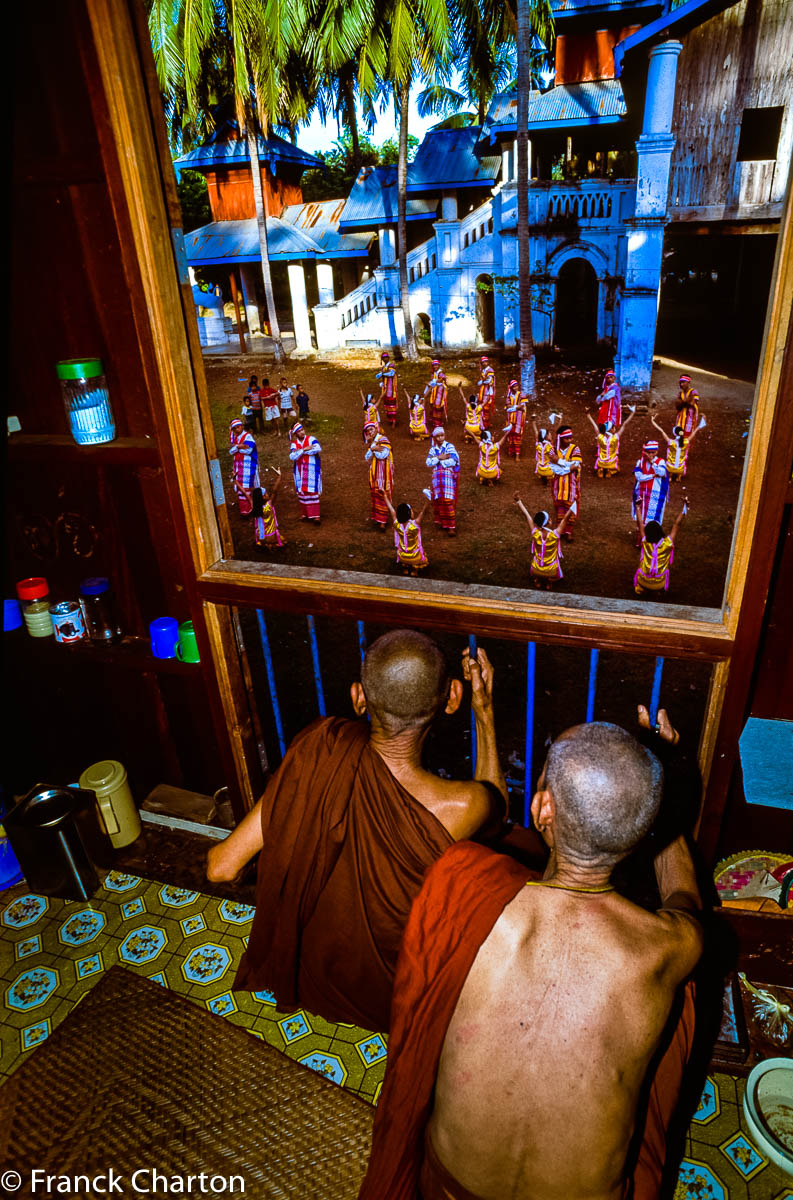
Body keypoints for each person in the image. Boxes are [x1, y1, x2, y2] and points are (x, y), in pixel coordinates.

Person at [359, 711, 703, 1200]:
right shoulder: (668, 947)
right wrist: (664, 775)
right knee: (681, 996)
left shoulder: (464, 883)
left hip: (450, 1189)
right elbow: (683, 896)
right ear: (643, 829)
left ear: (543, 809)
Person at [207, 633, 509, 1034]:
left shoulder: (321, 750)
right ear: (453, 698)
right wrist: (484, 712)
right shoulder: (462, 807)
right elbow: (497, 811)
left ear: (358, 697)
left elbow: (221, 868)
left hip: (308, 976)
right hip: (392, 1000)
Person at [513, 494, 572, 588]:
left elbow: (527, 515)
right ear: (549, 522)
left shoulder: (535, 533)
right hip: (551, 570)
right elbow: (565, 519)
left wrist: (519, 502)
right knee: (556, 571)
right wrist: (575, 503)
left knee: (537, 566)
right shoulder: (554, 535)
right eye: (549, 518)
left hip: (536, 569)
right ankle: (549, 582)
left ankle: (538, 581)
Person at [635, 508, 686, 595]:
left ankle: (641, 589)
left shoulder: (645, 542)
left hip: (643, 581)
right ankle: (657, 590)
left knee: (640, 581)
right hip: (659, 585)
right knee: (659, 585)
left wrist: (638, 507)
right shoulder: (668, 544)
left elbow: (640, 524)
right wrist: (685, 508)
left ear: (647, 533)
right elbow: (676, 524)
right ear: (660, 531)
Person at [381, 492, 430, 575]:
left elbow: (391, 509)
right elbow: (423, 511)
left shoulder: (396, 524)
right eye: (411, 510)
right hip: (415, 556)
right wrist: (428, 500)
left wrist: (384, 496)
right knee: (421, 557)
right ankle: (414, 570)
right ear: (409, 514)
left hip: (402, 556)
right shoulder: (415, 524)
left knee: (404, 555)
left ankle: (406, 568)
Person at [548, 426, 582, 539]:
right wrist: (567, 466)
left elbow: (576, 465)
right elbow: (552, 467)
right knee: (559, 505)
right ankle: (561, 529)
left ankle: (569, 531)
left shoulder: (575, 449)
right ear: (561, 439)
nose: (570, 440)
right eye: (567, 438)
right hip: (558, 483)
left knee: (570, 503)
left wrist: (559, 461)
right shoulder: (553, 449)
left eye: (571, 438)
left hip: (571, 483)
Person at [426, 428, 461, 535]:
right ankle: (443, 522)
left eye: (442, 435)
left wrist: (438, 460)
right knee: (439, 500)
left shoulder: (450, 446)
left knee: (448, 500)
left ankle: (451, 526)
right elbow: (428, 462)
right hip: (437, 478)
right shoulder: (432, 449)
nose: (440, 438)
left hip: (447, 477)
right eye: (438, 436)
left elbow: (454, 460)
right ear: (435, 438)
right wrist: (440, 457)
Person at [633, 439, 669, 537]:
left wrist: (653, 462)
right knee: (640, 515)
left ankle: (653, 538)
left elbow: (661, 473)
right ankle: (640, 538)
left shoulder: (660, 461)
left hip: (655, 494)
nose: (650, 455)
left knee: (653, 517)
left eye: (653, 453)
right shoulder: (640, 462)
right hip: (642, 493)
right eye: (649, 453)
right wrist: (652, 476)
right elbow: (639, 477)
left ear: (657, 452)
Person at [586, 407, 636, 477]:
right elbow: (625, 424)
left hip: (601, 462)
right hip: (611, 462)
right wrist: (632, 413)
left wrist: (588, 415)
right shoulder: (615, 437)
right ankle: (610, 470)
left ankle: (602, 469)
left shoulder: (600, 437)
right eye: (614, 427)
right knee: (615, 459)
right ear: (611, 430)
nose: (615, 428)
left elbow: (595, 427)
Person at [651, 414, 702, 482]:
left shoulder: (671, 442)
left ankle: (670, 477)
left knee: (669, 465)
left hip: (670, 467)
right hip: (680, 468)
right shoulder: (686, 442)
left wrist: (652, 421)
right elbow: (694, 432)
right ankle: (679, 477)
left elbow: (661, 431)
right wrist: (700, 424)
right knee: (682, 463)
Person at [289, 422, 322, 522]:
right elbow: (292, 456)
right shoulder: (294, 444)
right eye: (299, 431)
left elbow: (317, 448)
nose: (302, 432)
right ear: (295, 434)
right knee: (302, 491)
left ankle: (316, 515)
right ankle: (305, 513)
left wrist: (300, 452)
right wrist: (304, 449)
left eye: (302, 429)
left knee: (312, 490)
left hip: (311, 469)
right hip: (300, 471)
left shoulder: (311, 439)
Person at [365, 424, 394, 530]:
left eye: (371, 429)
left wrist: (373, 448)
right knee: (376, 493)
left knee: (383, 492)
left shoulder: (383, 439)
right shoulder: (374, 443)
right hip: (376, 472)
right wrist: (372, 446)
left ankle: (383, 521)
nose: (370, 432)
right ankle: (378, 518)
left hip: (384, 472)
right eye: (368, 431)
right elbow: (367, 457)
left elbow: (382, 455)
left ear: (376, 429)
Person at [228, 418, 260, 516]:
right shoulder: (236, 438)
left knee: (247, 487)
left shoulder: (248, 436)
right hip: (238, 465)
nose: (237, 429)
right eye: (235, 428)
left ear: (242, 426)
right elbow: (231, 451)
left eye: (239, 427)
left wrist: (238, 447)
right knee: (240, 487)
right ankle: (245, 509)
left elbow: (248, 449)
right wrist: (239, 447)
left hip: (248, 465)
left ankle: (250, 508)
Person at [251, 469, 285, 550]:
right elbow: (275, 491)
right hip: (271, 536)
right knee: (283, 541)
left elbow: (245, 493)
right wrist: (279, 477)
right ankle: (272, 544)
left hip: (260, 537)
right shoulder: (269, 506)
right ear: (263, 497)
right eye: (266, 493)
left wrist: (235, 481)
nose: (268, 494)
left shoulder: (254, 506)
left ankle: (264, 544)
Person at [377, 351, 399, 427]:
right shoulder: (383, 368)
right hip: (385, 388)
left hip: (391, 388)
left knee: (392, 403)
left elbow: (391, 374)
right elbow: (383, 378)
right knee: (387, 404)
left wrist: (382, 374)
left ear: (388, 358)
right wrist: (382, 383)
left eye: (386, 357)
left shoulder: (391, 365)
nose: (385, 359)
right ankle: (390, 419)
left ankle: (394, 421)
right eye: (383, 358)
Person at [424, 361, 448, 428]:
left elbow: (443, 378)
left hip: (440, 390)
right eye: (434, 365)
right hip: (435, 390)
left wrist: (435, 381)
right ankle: (434, 419)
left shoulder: (440, 373)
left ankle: (438, 422)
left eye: (436, 365)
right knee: (433, 404)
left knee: (438, 405)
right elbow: (432, 380)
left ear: (439, 366)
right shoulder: (433, 373)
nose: (435, 367)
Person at [531, 418, 554, 487]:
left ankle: (543, 479)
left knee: (541, 463)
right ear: (546, 437)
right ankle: (549, 482)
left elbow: (536, 434)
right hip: (548, 470)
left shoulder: (538, 444)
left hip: (539, 469)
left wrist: (534, 424)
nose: (550, 435)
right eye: (549, 434)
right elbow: (552, 456)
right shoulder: (549, 447)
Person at [504, 392, 528, 459]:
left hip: (518, 419)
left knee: (517, 435)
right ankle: (510, 452)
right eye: (514, 386)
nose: (515, 388)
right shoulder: (509, 396)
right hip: (510, 418)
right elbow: (507, 406)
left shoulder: (521, 394)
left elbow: (522, 406)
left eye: (516, 386)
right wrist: (517, 407)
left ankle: (517, 455)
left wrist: (513, 407)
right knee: (510, 435)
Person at [477, 356, 496, 430]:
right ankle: (485, 422)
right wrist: (483, 380)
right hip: (483, 390)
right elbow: (480, 382)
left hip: (488, 390)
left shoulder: (490, 370)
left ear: (487, 362)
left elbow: (489, 381)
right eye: (483, 362)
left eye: (485, 362)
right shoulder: (483, 371)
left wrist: (483, 380)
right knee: (483, 406)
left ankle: (486, 424)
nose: (484, 363)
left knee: (486, 407)